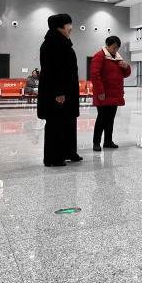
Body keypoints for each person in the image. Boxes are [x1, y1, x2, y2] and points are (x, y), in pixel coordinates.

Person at [37, 13, 81, 167]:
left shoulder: (63, 42)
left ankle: (68, 151)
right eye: (69, 24)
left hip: (67, 92)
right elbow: (52, 71)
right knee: (55, 124)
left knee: (68, 122)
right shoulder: (52, 44)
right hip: (57, 93)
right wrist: (59, 92)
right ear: (60, 27)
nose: (71, 28)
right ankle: (53, 158)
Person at [90, 36, 131, 152]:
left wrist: (127, 67)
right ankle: (96, 142)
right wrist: (100, 91)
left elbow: (125, 74)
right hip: (103, 94)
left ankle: (108, 141)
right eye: (114, 47)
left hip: (115, 94)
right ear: (107, 45)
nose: (115, 50)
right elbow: (95, 75)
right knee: (101, 119)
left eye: (117, 48)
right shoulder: (99, 56)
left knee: (110, 119)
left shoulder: (117, 58)